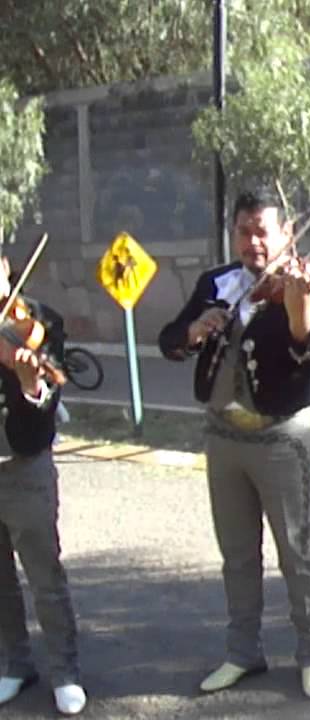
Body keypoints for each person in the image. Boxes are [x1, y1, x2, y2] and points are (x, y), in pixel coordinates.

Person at [158, 186, 310, 698]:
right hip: (223, 433)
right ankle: (243, 652)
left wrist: (299, 313)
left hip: (284, 435)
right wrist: (195, 329)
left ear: (286, 234)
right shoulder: (215, 282)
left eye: (263, 231)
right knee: (236, 553)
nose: (253, 242)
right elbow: (170, 340)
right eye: (244, 230)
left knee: (296, 551)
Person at [0, 253, 86, 715]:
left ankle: (65, 672)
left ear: (6, 265)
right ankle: (15, 664)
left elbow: (49, 397)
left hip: (24, 464)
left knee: (44, 576)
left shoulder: (38, 320)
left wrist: (32, 385)